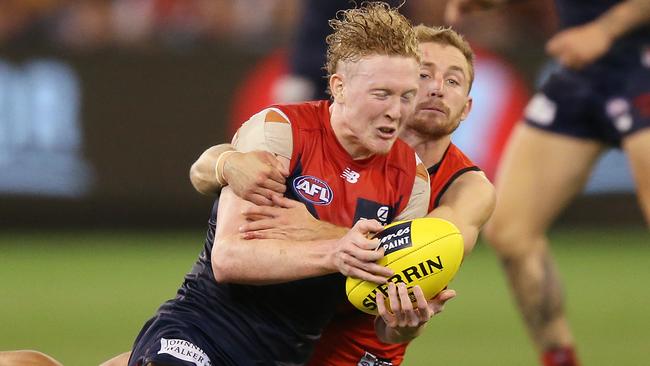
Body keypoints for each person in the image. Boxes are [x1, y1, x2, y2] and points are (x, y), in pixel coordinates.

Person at [128, 3, 432, 366]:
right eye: (381, 94)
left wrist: (405, 324)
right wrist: (336, 249)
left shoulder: (410, 180)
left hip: (287, 357)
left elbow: (380, 319)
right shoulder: (282, 131)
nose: (396, 111)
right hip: (202, 333)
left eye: (407, 96)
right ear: (339, 87)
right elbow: (229, 258)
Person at [192, 25, 495, 366]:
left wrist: (315, 229)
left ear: (468, 107)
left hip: (356, 347)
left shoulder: (461, 185)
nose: (437, 89)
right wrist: (224, 162)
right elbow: (215, 169)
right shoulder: (328, 129)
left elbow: (418, 248)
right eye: (425, 74)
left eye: (453, 81)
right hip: (276, 328)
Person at [445, 1, 650, 365]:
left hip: (640, 61)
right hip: (583, 71)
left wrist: (605, 29)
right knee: (510, 231)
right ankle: (559, 359)